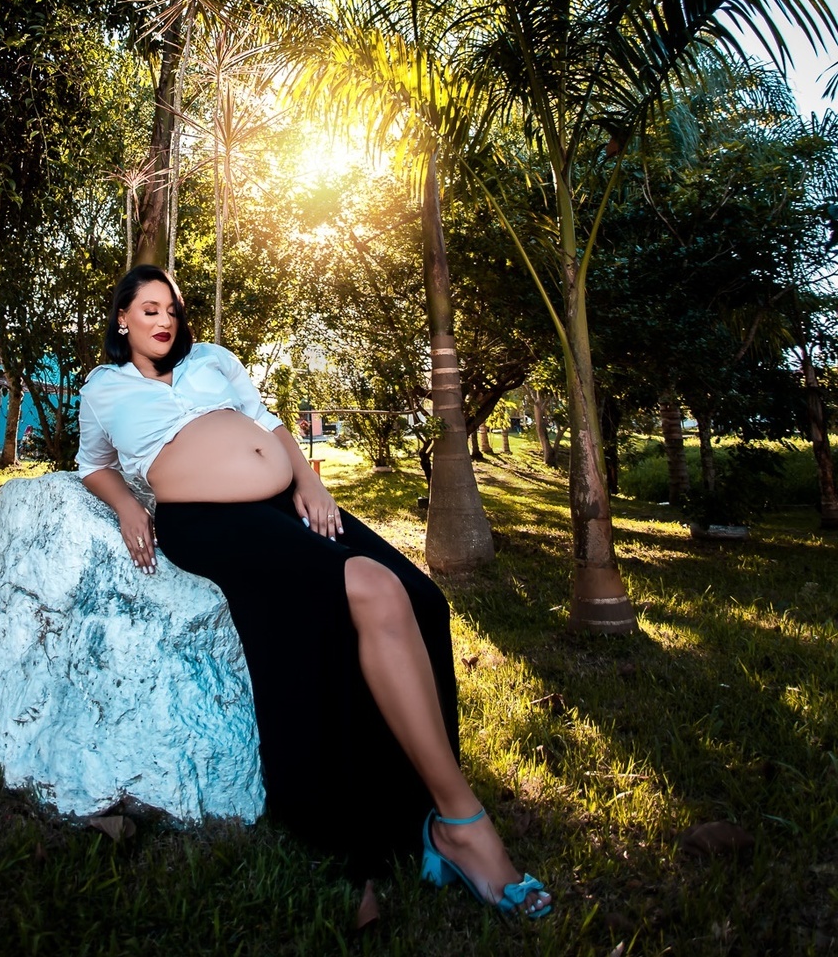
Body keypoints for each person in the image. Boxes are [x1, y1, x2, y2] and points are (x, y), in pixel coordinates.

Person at [76, 264, 550, 917]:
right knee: (373, 591)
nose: (164, 320)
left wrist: (312, 483)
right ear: (122, 316)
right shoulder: (105, 388)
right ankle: (462, 826)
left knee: (420, 599)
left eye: (172, 310)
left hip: (284, 503)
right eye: (150, 309)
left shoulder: (211, 360)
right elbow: (94, 464)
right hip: (206, 521)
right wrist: (129, 506)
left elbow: (267, 423)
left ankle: (418, 799)